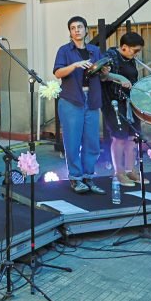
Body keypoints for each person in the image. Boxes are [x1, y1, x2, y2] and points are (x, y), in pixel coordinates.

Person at [53, 16, 107, 194]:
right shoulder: (64, 50)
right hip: (71, 100)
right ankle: (75, 178)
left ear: (86, 30)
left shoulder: (95, 50)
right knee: (72, 141)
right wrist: (75, 65)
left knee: (92, 142)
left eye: (80, 27)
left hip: (91, 99)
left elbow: (102, 74)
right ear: (70, 32)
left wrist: (105, 70)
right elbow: (58, 72)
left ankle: (88, 177)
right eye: (73, 28)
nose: (76, 30)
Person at [100, 32, 148, 187]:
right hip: (114, 102)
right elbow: (102, 75)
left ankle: (130, 170)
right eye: (135, 50)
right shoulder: (110, 56)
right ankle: (118, 172)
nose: (136, 54)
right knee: (119, 138)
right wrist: (119, 78)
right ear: (124, 47)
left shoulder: (130, 59)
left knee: (133, 138)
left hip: (130, 102)